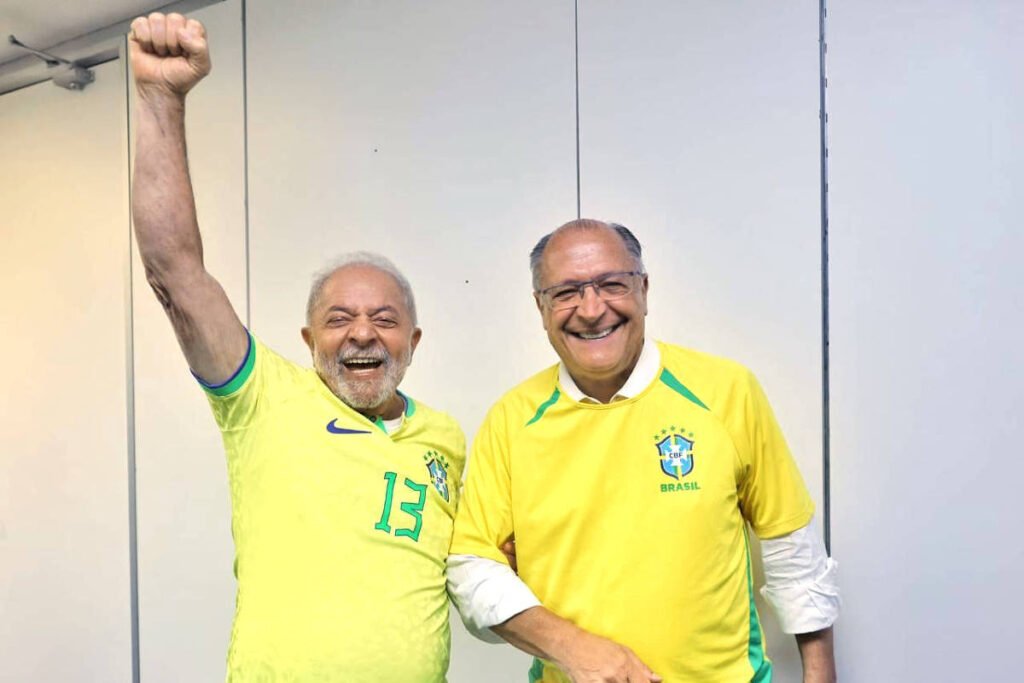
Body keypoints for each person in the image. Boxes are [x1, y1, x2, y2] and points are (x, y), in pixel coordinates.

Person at [129, 13, 464, 681]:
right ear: (309, 340)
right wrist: (161, 98)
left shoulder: (447, 439)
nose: (362, 333)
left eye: (384, 319)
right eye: (339, 319)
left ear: (414, 341)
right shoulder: (263, 397)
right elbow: (174, 270)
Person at [448, 219, 840, 682]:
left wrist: (820, 675)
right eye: (566, 292)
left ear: (644, 290)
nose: (591, 309)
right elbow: (472, 568)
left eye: (612, 284)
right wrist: (571, 647)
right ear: (541, 307)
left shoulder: (727, 391)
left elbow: (791, 547)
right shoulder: (511, 420)